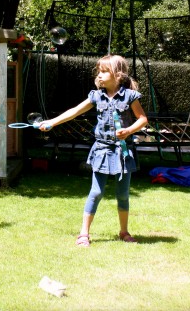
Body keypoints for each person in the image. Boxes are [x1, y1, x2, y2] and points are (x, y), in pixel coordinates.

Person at [40, 54, 148, 247]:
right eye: (98, 71)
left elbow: (142, 119)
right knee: (96, 192)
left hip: (122, 152)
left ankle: (124, 232)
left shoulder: (130, 96)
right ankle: (84, 234)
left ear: (118, 75)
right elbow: (74, 111)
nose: (99, 74)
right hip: (102, 150)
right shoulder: (96, 96)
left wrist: (129, 131)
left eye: (104, 71)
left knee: (122, 194)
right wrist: (52, 122)